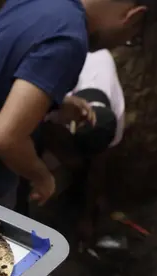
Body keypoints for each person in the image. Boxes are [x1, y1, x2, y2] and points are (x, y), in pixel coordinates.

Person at [0, 0, 157, 208]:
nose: (122, 42)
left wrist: (52, 102)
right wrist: (41, 176)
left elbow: (2, 75)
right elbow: (5, 138)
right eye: (130, 39)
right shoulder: (69, 39)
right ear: (134, 17)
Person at [29, 49, 125, 239]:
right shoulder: (55, 97)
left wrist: (87, 216)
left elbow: (99, 167)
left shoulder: (117, 118)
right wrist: (39, 176)